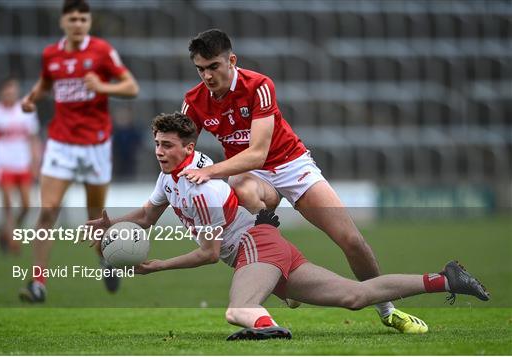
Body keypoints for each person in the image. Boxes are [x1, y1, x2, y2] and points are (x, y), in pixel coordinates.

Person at [87, 112, 489, 340]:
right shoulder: (169, 176)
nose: (159, 151)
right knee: (354, 296)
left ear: (188, 149)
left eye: (167, 145)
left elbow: (210, 254)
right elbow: (146, 216)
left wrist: (155, 266)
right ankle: (445, 279)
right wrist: (111, 223)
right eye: (157, 144)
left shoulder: (202, 188)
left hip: (255, 248)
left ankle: (270, 330)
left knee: (239, 309)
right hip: (266, 247)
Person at [178, 29, 427, 333]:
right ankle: (280, 259)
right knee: (240, 188)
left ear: (231, 60)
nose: (206, 75)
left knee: (351, 241)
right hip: (252, 176)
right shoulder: (193, 101)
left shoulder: (258, 85)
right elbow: (182, 152)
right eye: (200, 69)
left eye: (213, 66)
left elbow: (258, 153)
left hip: (290, 165)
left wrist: (209, 172)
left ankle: (387, 310)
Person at [18, 0, 139, 303]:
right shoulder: (51, 54)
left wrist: (102, 87)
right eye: (72, 18)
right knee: (47, 211)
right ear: (63, 22)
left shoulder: (101, 51)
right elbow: (47, 82)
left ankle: (105, 260)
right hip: (60, 143)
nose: (77, 23)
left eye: (82, 19)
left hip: (95, 145)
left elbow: (131, 87)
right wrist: (31, 98)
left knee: (93, 217)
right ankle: (38, 283)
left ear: (88, 22)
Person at [0, 77, 42, 255]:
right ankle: (13, 242)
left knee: (27, 205)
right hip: (3, 164)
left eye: (13, 91)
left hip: (23, 164)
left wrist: (36, 163)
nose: (10, 95)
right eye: (7, 91)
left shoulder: (26, 110)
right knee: (7, 204)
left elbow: (33, 139)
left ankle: (8, 232)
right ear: (1, 93)